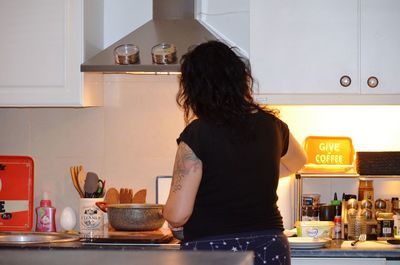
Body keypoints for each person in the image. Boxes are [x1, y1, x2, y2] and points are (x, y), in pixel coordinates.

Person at [162, 40, 307, 265]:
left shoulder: (197, 134)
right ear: (240, 80)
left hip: (211, 249)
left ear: (195, 89)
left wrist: (168, 214)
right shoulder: (273, 126)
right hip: (269, 245)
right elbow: (296, 162)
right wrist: (246, 174)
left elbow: (178, 214)